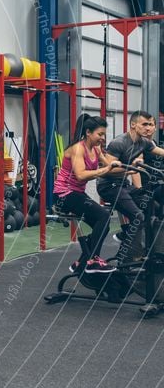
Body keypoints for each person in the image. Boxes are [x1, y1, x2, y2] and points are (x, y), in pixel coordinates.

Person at [53, 115, 120, 274]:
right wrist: (107, 169)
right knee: (103, 216)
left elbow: (110, 166)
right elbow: (81, 175)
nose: (102, 138)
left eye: (104, 134)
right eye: (100, 134)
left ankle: (82, 262)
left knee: (103, 225)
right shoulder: (78, 148)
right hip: (64, 194)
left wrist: (130, 168)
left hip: (77, 193)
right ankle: (92, 261)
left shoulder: (96, 149)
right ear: (88, 132)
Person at [98, 110, 164, 264]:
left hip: (123, 185)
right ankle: (128, 258)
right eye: (144, 124)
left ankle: (153, 251)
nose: (148, 128)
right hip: (108, 186)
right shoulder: (119, 142)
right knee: (138, 217)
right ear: (133, 125)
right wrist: (131, 168)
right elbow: (108, 170)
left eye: (150, 125)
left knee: (152, 207)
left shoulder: (144, 142)